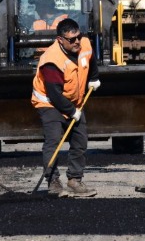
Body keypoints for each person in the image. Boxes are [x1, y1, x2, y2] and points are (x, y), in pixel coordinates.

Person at [31, 18, 100, 197]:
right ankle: (53, 182)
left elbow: (90, 58)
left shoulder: (83, 44)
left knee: (80, 140)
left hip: (74, 101)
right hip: (49, 102)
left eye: (78, 36)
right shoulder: (52, 61)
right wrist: (71, 112)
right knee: (53, 141)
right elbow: (54, 94)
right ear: (60, 40)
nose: (77, 41)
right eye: (71, 39)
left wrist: (94, 77)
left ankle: (75, 180)